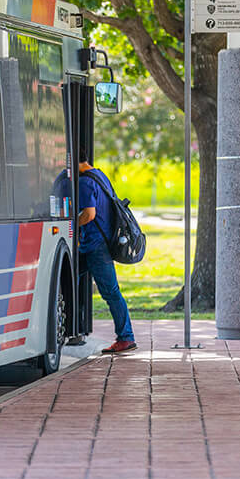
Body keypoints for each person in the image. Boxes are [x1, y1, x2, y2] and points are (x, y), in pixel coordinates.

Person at [77, 145, 137, 354]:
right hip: (91, 245)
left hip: (96, 247)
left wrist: (72, 223)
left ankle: (126, 337)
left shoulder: (84, 182)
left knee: (111, 292)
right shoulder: (99, 175)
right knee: (70, 279)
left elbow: (89, 214)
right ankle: (74, 327)